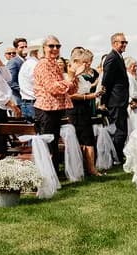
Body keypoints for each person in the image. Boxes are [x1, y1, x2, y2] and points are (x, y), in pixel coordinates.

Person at [34, 35, 80, 173]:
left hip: (56, 109)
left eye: (58, 46)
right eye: (51, 46)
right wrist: (70, 79)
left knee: (53, 143)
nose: (55, 49)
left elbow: (69, 89)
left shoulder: (54, 64)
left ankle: (53, 175)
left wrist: (73, 76)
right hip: (45, 109)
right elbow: (53, 88)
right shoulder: (43, 64)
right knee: (48, 144)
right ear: (44, 48)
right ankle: (47, 175)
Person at [69, 47, 103, 176]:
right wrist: (90, 96)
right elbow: (71, 94)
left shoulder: (81, 76)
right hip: (76, 109)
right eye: (85, 62)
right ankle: (90, 169)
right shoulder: (71, 75)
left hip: (84, 108)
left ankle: (89, 167)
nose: (87, 65)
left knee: (87, 138)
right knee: (85, 138)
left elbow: (85, 88)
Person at [101, 32, 130, 163]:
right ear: (114, 43)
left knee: (122, 130)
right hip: (115, 100)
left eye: (126, 42)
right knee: (119, 130)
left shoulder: (119, 57)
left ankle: (118, 155)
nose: (125, 45)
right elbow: (106, 81)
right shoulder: (112, 58)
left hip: (121, 100)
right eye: (122, 42)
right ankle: (116, 157)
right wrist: (103, 101)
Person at [18, 44, 40, 121]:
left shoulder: (28, 63)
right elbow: (39, 83)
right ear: (37, 52)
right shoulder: (34, 64)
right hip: (33, 103)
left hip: (27, 102)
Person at [6, 37, 27, 106]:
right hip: (18, 100)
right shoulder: (13, 62)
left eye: (26, 47)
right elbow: (11, 82)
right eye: (22, 47)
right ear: (16, 49)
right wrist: (25, 90)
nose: (24, 49)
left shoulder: (27, 61)